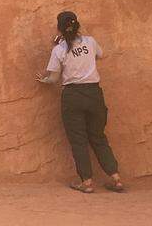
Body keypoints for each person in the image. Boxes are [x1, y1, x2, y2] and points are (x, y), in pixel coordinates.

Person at [36, 11, 123, 193]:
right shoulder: (90, 42)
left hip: (73, 96)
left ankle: (87, 182)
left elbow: (53, 78)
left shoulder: (59, 50)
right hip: (94, 94)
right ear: (77, 26)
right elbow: (100, 55)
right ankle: (115, 178)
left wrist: (43, 80)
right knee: (98, 137)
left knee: (78, 140)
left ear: (59, 29)